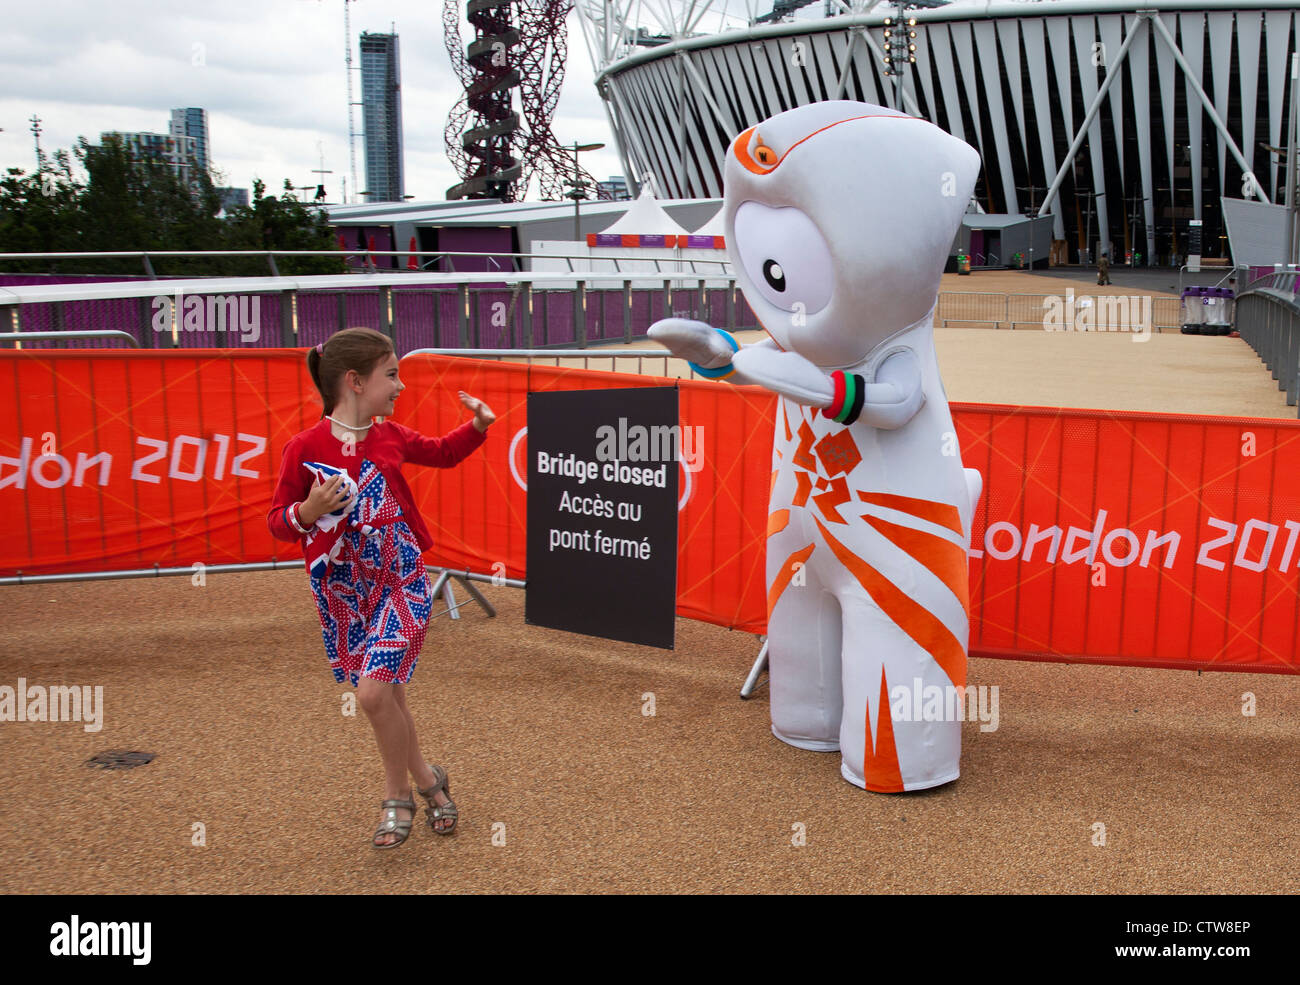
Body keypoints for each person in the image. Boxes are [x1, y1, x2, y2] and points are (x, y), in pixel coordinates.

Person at [266, 327, 494, 848]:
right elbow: (278, 521)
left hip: (401, 580)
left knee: (371, 694)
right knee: (389, 697)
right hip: (346, 594)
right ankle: (433, 783)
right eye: (391, 375)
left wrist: (478, 425)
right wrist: (308, 512)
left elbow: (441, 452)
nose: (400, 386)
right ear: (354, 380)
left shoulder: (389, 435)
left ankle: (397, 795)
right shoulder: (305, 448)